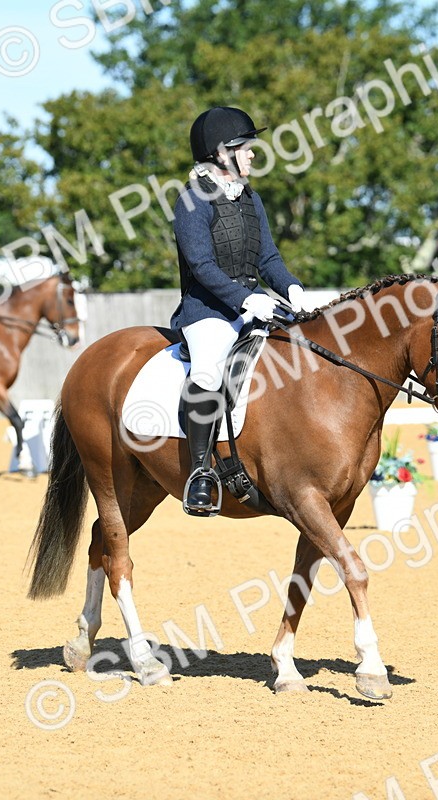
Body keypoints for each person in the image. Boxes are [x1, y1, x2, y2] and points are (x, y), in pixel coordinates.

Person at [170, 106, 306, 516]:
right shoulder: (192, 201)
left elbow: (268, 259)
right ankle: (199, 472)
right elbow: (202, 266)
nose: (252, 155)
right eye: (246, 148)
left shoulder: (251, 198)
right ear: (221, 153)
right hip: (206, 312)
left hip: (254, 308)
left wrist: (294, 289)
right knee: (209, 369)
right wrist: (245, 299)